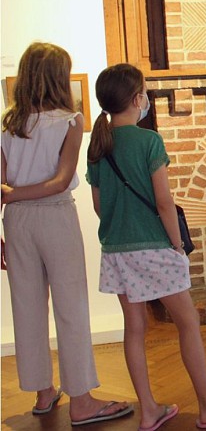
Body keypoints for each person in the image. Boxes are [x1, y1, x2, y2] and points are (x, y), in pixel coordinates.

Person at [86, 63, 206, 430]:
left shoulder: (98, 145)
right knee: (188, 323)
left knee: (134, 328)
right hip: (156, 246)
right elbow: (164, 202)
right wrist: (176, 245)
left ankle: (148, 410)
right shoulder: (148, 141)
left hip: (115, 249)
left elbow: (99, 205)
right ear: (136, 98)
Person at [1, 42, 133, 425]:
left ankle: (44, 393)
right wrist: (15, 194)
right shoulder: (70, 120)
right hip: (54, 218)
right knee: (70, 307)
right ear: (59, 77)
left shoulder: (9, 124)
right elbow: (60, 182)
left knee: (27, 306)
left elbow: (1, 186)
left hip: (17, 221)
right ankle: (82, 401)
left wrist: (10, 200)